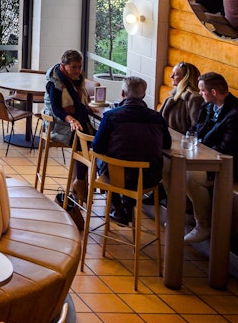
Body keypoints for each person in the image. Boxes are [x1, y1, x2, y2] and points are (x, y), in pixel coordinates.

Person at [184, 72, 238, 243]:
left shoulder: (237, 116)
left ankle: (203, 225)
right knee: (173, 169)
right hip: (209, 157)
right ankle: (190, 212)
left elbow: (226, 152)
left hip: (237, 168)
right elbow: (196, 128)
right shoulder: (208, 106)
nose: (200, 94)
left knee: (191, 177)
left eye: (202, 90)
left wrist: (198, 151)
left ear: (213, 92)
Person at [90, 76, 170, 225]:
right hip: (149, 177)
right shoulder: (157, 118)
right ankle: (127, 207)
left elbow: (97, 147)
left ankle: (118, 208)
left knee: (107, 161)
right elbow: (167, 144)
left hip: (117, 176)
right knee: (135, 161)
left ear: (122, 94)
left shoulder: (110, 116)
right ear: (144, 95)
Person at [45, 49, 95, 203]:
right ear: (63, 65)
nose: (77, 71)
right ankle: (80, 182)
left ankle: (80, 182)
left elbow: (76, 102)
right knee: (82, 138)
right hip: (58, 124)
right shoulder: (56, 83)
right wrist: (71, 120)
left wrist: (85, 107)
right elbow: (57, 109)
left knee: (94, 138)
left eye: (79, 67)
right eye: (73, 67)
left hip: (73, 119)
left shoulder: (77, 80)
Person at [159, 61, 203, 133]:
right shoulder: (175, 95)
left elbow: (195, 127)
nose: (171, 76)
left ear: (186, 78)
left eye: (175, 74)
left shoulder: (194, 98)